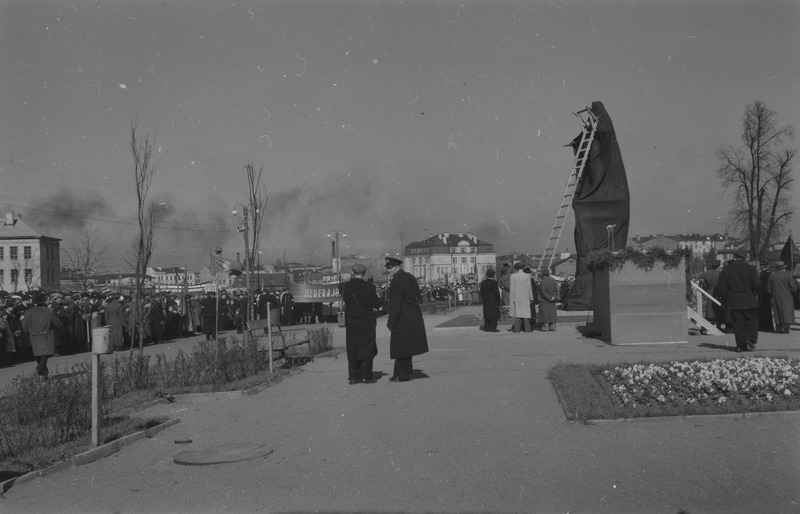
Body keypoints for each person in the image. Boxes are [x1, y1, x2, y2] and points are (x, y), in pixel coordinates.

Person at [385, 256, 428, 382]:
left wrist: (391, 322)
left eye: (390, 268)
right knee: (407, 345)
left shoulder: (396, 282)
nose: (389, 270)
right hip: (413, 314)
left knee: (400, 345)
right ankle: (402, 373)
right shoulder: (410, 277)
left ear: (397, 267)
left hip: (402, 315)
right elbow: (419, 296)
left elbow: (395, 304)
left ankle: (402, 375)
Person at [341, 263, 384, 384]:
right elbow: (377, 304)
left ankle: (354, 377)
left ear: (352, 272)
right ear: (364, 273)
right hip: (366, 321)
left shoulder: (345, 287)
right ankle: (366, 376)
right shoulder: (369, 287)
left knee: (352, 347)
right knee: (366, 347)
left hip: (351, 322)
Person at [718, 249, 760, 352]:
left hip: (734, 301)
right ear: (745, 258)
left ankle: (740, 345)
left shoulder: (726, 270)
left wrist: (724, 300)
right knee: (751, 321)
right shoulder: (751, 269)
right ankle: (749, 338)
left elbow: (722, 289)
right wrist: (754, 293)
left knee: (738, 324)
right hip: (749, 299)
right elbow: (757, 284)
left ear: (734, 257)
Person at [20, 292, 64, 380]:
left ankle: (44, 373)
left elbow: (24, 327)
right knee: (45, 355)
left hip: (33, 337)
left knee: (39, 356)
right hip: (46, 336)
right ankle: (39, 371)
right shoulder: (48, 311)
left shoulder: (28, 312)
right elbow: (58, 324)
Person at [767, 261, 798, 334]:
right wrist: (793, 293)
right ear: (784, 268)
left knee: (777, 312)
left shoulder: (772, 276)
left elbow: (768, 288)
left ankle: (778, 328)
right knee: (787, 312)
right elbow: (793, 287)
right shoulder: (787, 275)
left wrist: (772, 293)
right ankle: (786, 329)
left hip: (776, 297)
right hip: (787, 296)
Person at [509, 262, 533, 333]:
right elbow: (529, 288)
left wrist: (512, 298)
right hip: (525, 296)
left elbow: (512, 288)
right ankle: (527, 328)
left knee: (517, 312)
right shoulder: (527, 276)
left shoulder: (513, 276)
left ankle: (517, 328)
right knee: (526, 312)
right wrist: (531, 297)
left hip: (516, 296)